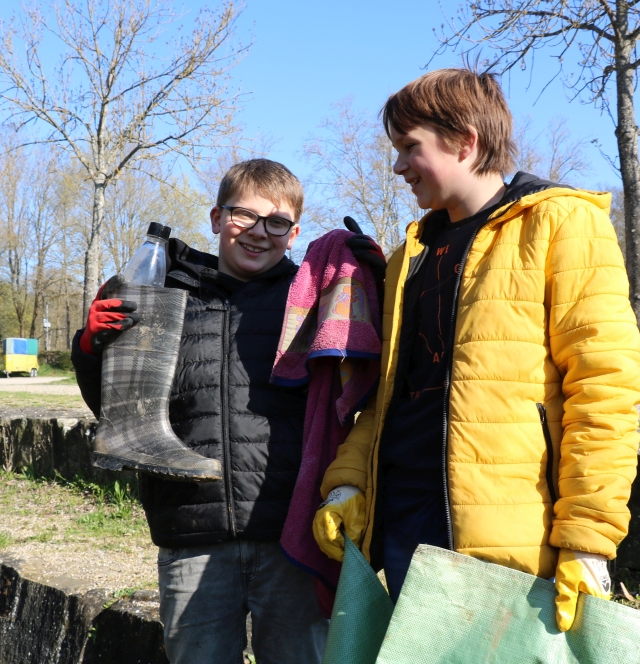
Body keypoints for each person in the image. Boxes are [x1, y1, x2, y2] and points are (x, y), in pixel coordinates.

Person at [313, 68, 640, 632]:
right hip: (405, 527)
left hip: (514, 541)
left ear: (466, 140)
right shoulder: (408, 257)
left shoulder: (564, 223)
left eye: (409, 147)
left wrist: (589, 536)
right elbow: (390, 395)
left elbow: (605, 393)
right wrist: (349, 481)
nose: (397, 167)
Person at [72, 159, 329, 664]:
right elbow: (118, 412)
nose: (259, 233)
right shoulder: (162, 295)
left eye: (276, 223)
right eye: (243, 217)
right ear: (216, 219)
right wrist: (90, 348)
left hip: (291, 540)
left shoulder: (311, 303)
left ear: (294, 233)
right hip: (192, 532)